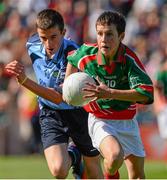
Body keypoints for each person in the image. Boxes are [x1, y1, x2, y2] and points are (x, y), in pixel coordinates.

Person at [4, 9, 103, 179]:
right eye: (43, 37)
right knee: (58, 171)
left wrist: (24, 81)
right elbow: (18, 51)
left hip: (78, 112)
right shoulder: (32, 44)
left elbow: (60, 96)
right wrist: (13, 64)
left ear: (63, 33)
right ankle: (75, 155)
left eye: (53, 37)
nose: (48, 43)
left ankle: (80, 157)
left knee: (94, 172)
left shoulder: (72, 52)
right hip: (50, 114)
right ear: (37, 34)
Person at [65, 10, 154, 179]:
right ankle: (109, 173)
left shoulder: (129, 60)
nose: (103, 39)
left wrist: (110, 93)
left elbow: (146, 93)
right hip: (100, 119)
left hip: (127, 121)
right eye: (99, 34)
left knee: (137, 176)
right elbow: (71, 58)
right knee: (114, 156)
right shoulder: (87, 53)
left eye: (109, 34)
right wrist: (68, 86)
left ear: (121, 36)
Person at [153, 60, 167, 141]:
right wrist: (157, 104)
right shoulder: (162, 74)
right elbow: (156, 89)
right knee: (165, 134)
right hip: (164, 104)